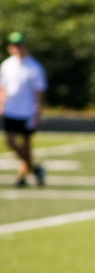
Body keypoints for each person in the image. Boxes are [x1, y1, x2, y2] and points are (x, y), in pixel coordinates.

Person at [0, 32, 47, 188]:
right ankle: (35, 168)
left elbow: (39, 91)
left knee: (26, 144)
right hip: (10, 109)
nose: (18, 48)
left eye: (20, 45)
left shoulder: (34, 67)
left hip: (27, 111)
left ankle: (23, 174)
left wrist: (38, 111)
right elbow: (3, 89)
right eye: (15, 46)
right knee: (11, 142)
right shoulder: (6, 65)